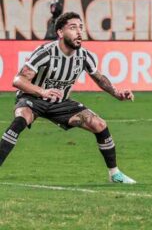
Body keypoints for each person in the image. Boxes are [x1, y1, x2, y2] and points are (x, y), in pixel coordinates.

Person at [0, 12, 137, 184]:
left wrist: (117, 93)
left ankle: (114, 174)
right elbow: (18, 80)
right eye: (73, 28)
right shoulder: (46, 52)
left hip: (60, 103)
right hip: (33, 98)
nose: (79, 32)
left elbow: (99, 78)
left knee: (99, 124)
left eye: (81, 27)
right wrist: (42, 92)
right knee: (22, 118)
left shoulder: (84, 56)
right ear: (60, 32)